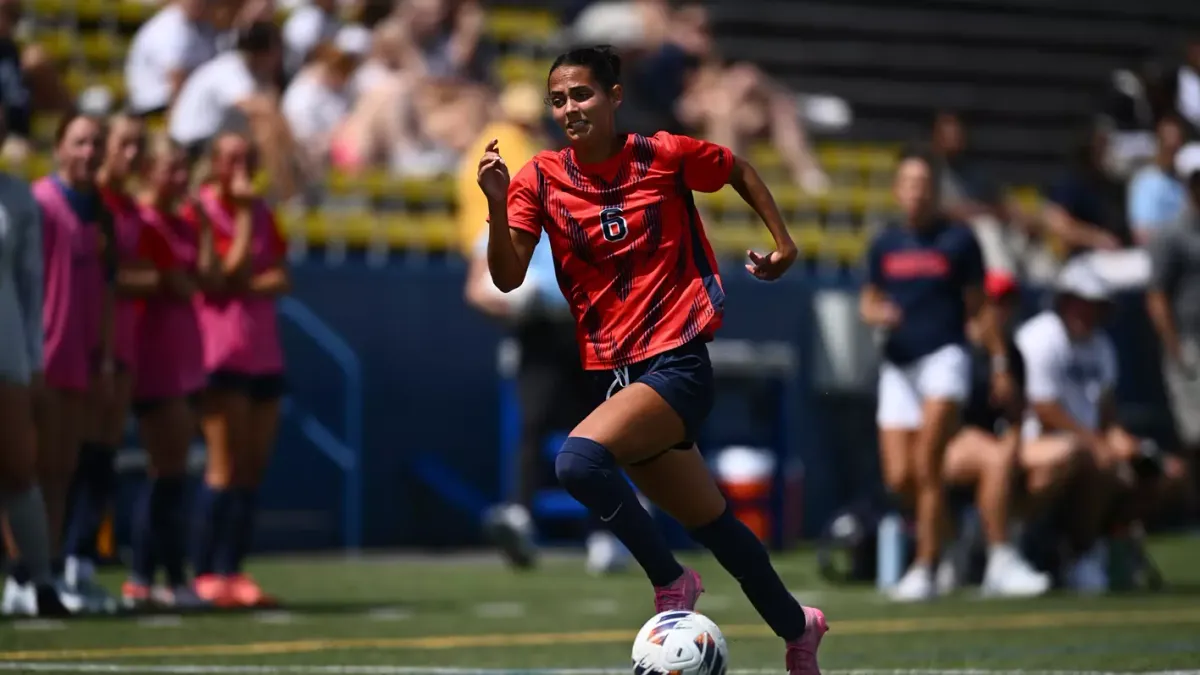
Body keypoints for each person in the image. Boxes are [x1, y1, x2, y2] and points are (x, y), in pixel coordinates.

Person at [476, 46, 826, 675]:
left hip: (678, 367)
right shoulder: (539, 179)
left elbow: (738, 168)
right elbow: (505, 279)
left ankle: (670, 582)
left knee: (578, 461)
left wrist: (784, 243)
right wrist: (498, 205)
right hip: (618, 378)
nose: (569, 109)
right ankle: (799, 629)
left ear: (613, 97)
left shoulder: (660, 154)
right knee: (714, 522)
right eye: (557, 100)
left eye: (581, 95)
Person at [859, 148, 1013, 602]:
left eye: (923, 184)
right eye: (907, 184)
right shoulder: (884, 243)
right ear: (897, 190)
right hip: (898, 364)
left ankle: (924, 567)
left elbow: (980, 307)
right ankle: (951, 542)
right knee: (900, 477)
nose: (915, 193)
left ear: (935, 190)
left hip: (945, 357)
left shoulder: (959, 240)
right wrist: (877, 313)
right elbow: (868, 300)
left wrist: (1000, 360)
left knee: (928, 463)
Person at [188, 131, 289, 608]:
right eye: (231, 159)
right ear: (214, 163)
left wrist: (247, 278)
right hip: (220, 350)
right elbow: (225, 273)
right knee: (223, 467)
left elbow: (280, 276)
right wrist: (246, 221)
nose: (241, 168)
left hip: (262, 351)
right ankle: (207, 570)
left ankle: (234, 569)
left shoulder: (264, 212)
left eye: (247, 157)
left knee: (252, 468)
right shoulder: (204, 210)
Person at [941, 270, 1077, 598]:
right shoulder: (954, 345)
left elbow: (1016, 417)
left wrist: (1000, 358)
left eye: (1007, 302)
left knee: (1063, 455)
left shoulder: (1012, 354)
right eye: (994, 302)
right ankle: (1000, 558)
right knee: (997, 456)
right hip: (953, 445)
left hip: (996, 444)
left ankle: (1000, 537)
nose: (1001, 310)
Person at [121, 135, 213, 609]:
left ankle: (168, 575)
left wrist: (199, 223)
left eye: (184, 169)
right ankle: (148, 574)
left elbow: (204, 275)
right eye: (171, 169)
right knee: (167, 470)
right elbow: (175, 282)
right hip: (156, 353)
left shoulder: (180, 219)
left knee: (174, 470)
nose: (181, 179)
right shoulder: (145, 221)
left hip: (185, 352)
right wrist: (173, 278)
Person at [59, 112, 147, 609]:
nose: (128, 156)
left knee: (99, 458)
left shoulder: (120, 208)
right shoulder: (80, 204)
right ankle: (50, 566)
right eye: (122, 145)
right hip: (80, 347)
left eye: (138, 146)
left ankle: (80, 562)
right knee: (65, 460)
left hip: (118, 347)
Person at [30, 110, 117, 613]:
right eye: (80, 142)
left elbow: (104, 291)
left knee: (59, 472)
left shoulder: (97, 211)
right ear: (59, 147)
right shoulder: (40, 203)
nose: (89, 152)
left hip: (75, 359)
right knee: (25, 471)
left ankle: (43, 572)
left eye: (95, 143)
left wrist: (103, 360)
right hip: (36, 356)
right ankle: (25, 573)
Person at [1015, 259, 1139, 593]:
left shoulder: (1101, 347)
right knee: (1078, 457)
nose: (1088, 312)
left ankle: (1090, 552)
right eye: (1083, 303)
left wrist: (1122, 441)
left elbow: (1107, 411)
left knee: (1157, 475)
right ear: (1065, 301)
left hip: (1082, 444)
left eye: (1095, 305)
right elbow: (1042, 408)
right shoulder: (1040, 337)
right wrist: (1094, 442)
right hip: (1032, 442)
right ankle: (1014, 544)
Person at [0, 104, 69, 617]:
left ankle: (40, 583)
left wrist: (35, 359)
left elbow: (29, 285)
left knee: (21, 467)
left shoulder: (17, 196)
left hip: (7, 348)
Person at [1127, 116, 1187, 245]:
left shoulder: (1185, 181)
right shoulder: (1145, 181)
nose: (1173, 153)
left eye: (1176, 148)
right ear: (1159, 145)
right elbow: (1142, 233)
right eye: (1168, 147)